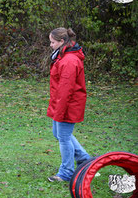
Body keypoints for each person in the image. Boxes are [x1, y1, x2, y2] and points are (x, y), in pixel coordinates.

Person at [47, 27, 90, 182]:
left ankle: (67, 172)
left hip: (68, 105)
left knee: (64, 137)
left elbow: (66, 90)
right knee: (58, 134)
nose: (50, 45)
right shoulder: (63, 56)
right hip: (61, 104)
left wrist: (59, 111)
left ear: (61, 41)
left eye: (52, 42)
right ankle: (85, 160)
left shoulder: (70, 61)